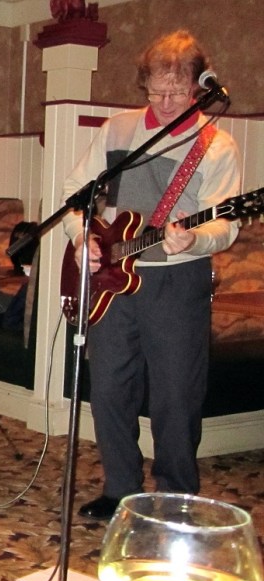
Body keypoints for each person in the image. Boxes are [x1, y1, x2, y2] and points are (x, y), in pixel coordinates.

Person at [61, 31, 240, 521]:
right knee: (109, 388)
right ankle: (120, 488)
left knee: (176, 394)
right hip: (111, 281)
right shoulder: (117, 130)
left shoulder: (217, 145)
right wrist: (82, 236)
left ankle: (176, 496)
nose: (165, 103)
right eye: (156, 92)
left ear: (199, 86)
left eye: (177, 93)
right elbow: (76, 192)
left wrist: (195, 240)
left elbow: (226, 224)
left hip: (176, 280)